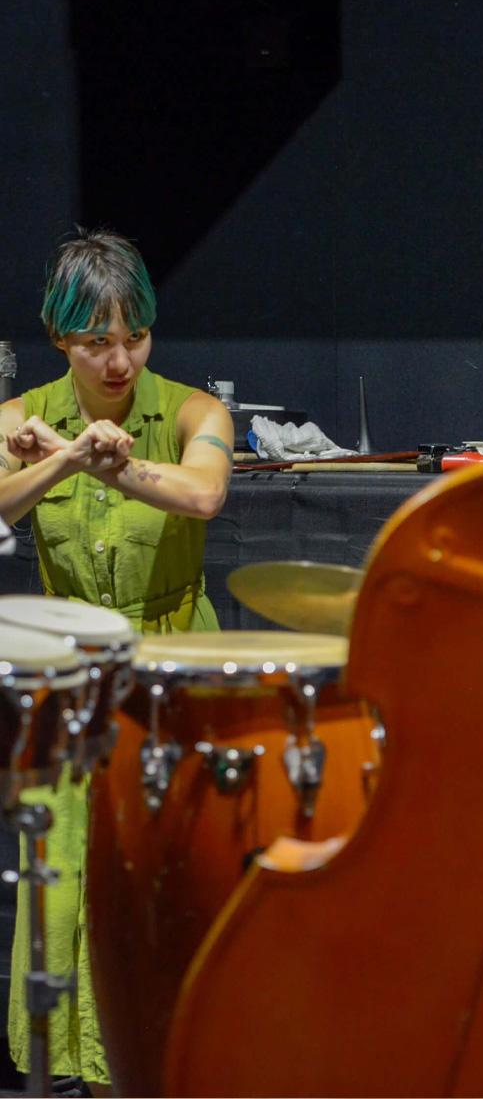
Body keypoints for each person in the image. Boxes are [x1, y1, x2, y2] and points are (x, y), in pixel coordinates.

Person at [0, 228, 234, 1093]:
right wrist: (68, 455)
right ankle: (84, 1080)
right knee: (65, 894)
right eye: (97, 340)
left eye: (134, 335)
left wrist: (109, 468)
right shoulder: (19, 419)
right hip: (71, 681)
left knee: (161, 889)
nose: (119, 358)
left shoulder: (190, 412)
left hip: (171, 667)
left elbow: (203, 492)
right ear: (60, 335)